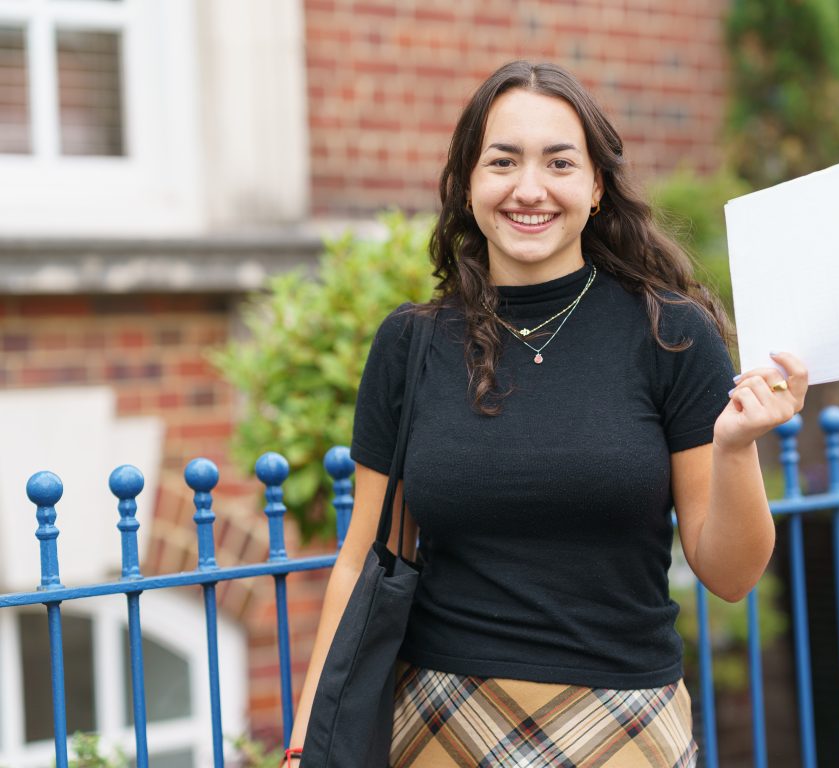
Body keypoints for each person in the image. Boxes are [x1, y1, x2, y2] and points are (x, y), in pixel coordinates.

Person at [286, 60, 807, 767]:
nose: (529, 188)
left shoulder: (671, 335)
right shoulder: (411, 344)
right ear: (468, 184)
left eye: (559, 163)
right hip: (440, 725)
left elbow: (731, 575)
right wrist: (303, 747)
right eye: (503, 161)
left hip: (625, 727)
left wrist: (738, 447)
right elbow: (357, 565)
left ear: (596, 187)